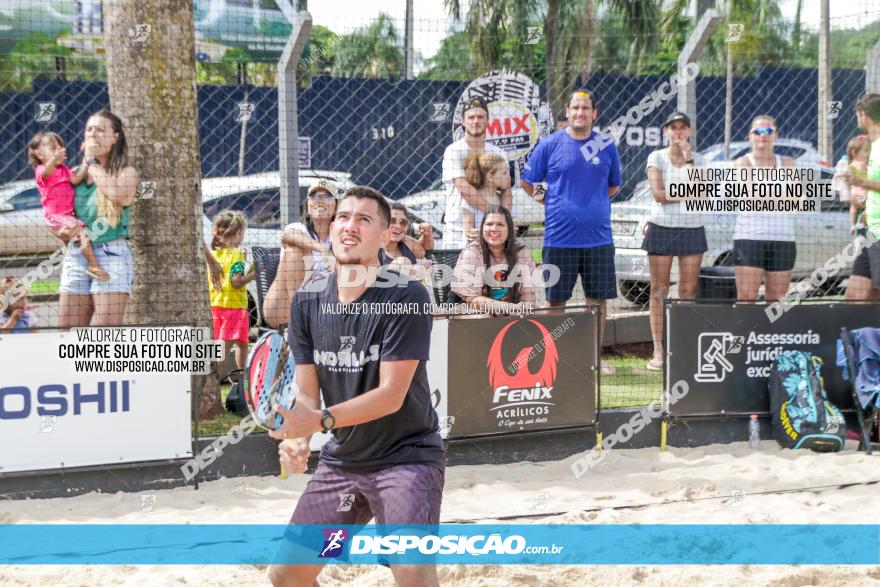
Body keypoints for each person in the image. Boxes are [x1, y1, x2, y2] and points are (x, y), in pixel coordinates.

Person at [266, 186, 444, 587]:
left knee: (412, 571)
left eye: (364, 219)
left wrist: (318, 421)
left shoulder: (406, 296)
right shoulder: (307, 301)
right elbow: (308, 392)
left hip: (406, 460)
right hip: (344, 463)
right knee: (288, 575)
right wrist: (297, 439)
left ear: (385, 236)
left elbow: (390, 395)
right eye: (343, 217)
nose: (349, 225)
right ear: (330, 230)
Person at [521, 89, 621, 375]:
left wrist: (591, 205)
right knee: (556, 301)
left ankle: (594, 359)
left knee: (597, 301)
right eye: (575, 108)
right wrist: (548, 199)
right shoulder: (550, 145)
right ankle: (557, 359)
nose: (580, 113)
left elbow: (613, 186)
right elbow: (528, 182)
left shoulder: (606, 146)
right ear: (567, 112)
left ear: (594, 113)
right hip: (558, 239)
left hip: (599, 240)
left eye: (585, 108)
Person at [59, 110, 138, 328]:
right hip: (77, 254)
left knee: (106, 337)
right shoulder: (74, 175)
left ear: (115, 137)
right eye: (89, 129)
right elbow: (58, 212)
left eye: (101, 130)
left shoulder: (126, 172)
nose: (93, 134)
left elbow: (119, 195)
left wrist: (92, 162)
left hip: (111, 254)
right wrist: (62, 232)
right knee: (66, 335)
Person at [642, 112, 707, 371]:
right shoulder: (655, 157)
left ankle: (682, 348)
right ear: (666, 131)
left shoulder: (699, 159)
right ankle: (659, 351)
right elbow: (658, 194)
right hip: (662, 228)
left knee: (688, 292)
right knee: (659, 290)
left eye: (683, 128)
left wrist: (689, 160)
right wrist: (687, 193)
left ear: (689, 132)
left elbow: (700, 193)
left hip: (692, 228)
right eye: (673, 128)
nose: (678, 132)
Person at [29, 132, 110, 282]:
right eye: (54, 147)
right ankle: (94, 265)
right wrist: (53, 159)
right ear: (39, 153)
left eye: (61, 147)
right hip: (55, 218)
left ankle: (74, 261)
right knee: (81, 233)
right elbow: (46, 171)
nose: (60, 150)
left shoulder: (64, 170)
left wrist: (87, 161)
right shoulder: (42, 170)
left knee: (74, 241)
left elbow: (76, 179)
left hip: (67, 216)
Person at [732, 115, 797, 302]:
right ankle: (744, 333)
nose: (763, 135)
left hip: (782, 238)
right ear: (750, 136)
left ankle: (772, 332)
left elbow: (796, 201)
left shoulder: (788, 163)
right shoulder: (742, 163)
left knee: (777, 299)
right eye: (757, 131)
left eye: (768, 131)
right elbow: (748, 196)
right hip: (750, 238)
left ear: (775, 135)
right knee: (746, 297)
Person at [262, 180, 338, 328]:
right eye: (314, 196)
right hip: (283, 308)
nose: (320, 200)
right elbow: (289, 236)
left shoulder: (340, 236)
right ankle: (300, 317)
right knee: (295, 249)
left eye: (327, 196)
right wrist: (323, 250)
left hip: (324, 305)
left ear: (336, 207)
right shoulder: (297, 228)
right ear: (308, 205)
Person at [442, 96, 512, 248]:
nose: (476, 121)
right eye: (471, 117)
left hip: (493, 234)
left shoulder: (499, 152)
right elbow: (464, 189)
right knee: (456, 272)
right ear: (462, 120)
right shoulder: (453, 151)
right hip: (459, 232)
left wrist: (503, 221)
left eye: (480, 117)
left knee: (495, 272)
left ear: (487, 120)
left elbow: (506, 191)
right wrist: (495, 216)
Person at [452, 205, 536, 314]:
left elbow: (528, 295)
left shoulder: (521, 253)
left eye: (500, 224)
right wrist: (510, 308)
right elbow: (472, 299)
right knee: (484, 317)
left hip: (511, 311)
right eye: (489, 224)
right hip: (472, 311)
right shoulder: (472, 252)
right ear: (482, 227)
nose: (494, 229)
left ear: (509, 229)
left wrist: (526, 308)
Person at [208, 210, 255, 370]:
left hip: (216, 306)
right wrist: (254, 274)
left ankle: (242, 378)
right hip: (234, 309)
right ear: (239, 233)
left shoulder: (214, 254)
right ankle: (214, 376)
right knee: (225, 348)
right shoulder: (238, 255)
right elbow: (236, 282)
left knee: (242, 343)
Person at [845, 93, 880, 300]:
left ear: (863, 115)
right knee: (855, 296)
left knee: (876, 296)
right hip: (870, 229)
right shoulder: (871, 146)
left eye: (857, 114)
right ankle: (859, 334)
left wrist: (862, 182)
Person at [461, 151, 512, 242]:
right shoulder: (471, 201)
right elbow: (468, 232)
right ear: (490, 177)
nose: (508, 177)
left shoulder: (504, 200)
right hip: (478, 251)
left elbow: (512, 228)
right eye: (504, 173)